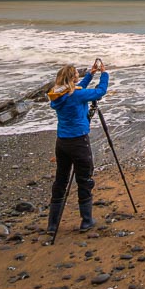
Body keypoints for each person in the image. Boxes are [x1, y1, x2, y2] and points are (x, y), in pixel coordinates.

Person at [46, 59, 109, 234]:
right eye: (76, 74)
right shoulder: (77, 95)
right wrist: (104, 74)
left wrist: (90, 74)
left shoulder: (57, 94)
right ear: (71, 78)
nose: (77, 76)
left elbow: (78, 88)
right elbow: (100, 92)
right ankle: (86, 220)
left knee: (61, 180)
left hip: (62, 143)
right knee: (84, 179)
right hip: (78, 142)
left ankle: (52, 225)